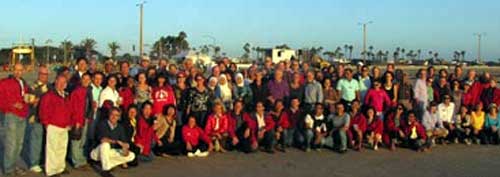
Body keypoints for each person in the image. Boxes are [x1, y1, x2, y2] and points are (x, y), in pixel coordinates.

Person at [0, 64, 30, 176]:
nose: (18, 72)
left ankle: (13, 166)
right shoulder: (4, 83)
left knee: (19, 144)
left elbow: (24, 97)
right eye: (16, 70)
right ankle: (8, 170)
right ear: (12, 70)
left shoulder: (23, 82)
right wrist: (12, 105)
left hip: (22, 115)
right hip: (11, 115)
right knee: (11, 144)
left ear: (23, 71)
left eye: (20, 70)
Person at [39, 75, 72, 177]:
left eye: (64, 82)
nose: (62, 84)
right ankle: (51, 171)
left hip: (64, 127)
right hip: (53, 126)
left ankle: (60, 167)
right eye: (60, 82)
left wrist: (70, 123)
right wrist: (46, 124)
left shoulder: (66, 96)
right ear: (56, 82)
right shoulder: (49, 95)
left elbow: (69, 111)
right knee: (52, 149)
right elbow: (43, 110)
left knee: (62, 148)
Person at [90, 107, 135, 177]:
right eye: (112, 114)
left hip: (110, 152)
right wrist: (116, 141)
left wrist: (125, 148)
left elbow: (124, 144)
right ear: (109, 115)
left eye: (116, 115)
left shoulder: (120, 127)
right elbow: (103, 140)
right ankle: (105, 170)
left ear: (119, 117)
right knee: (105, 145)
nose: (114, 117)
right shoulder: (102, 124)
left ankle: (107, 164)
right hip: (97, 152)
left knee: (131, 155)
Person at [23, 65, 50, 173]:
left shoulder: (50, 87)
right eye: (42, 74)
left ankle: (42, 160)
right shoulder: (32, 86)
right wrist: (37, 100)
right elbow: (28, 101)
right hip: (35, 118)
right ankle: (34, 163)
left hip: (47, 118)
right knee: (36, 141)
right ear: (39, 74)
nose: (44, 76)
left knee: (45, 140)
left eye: (46, 74)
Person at [69, 73, 93, 170]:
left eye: (88, 79)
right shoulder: (77, 91)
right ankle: (76, 161)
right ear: (81, 80)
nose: (86, 81)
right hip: (78, 119)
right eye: (84, 79)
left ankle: (81, 159)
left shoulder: (88, 91)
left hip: (85, 118)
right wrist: (76, 121)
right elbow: (73, 107)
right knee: (76, 140)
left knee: (83, 140)